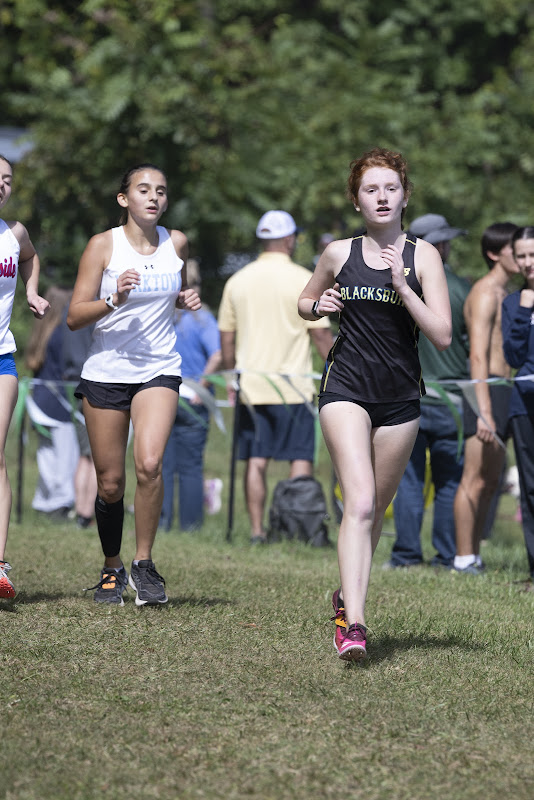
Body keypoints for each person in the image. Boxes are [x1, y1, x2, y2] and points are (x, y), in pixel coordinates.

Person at [298, 147, 452, 661]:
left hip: (401, 399)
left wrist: (404, 288)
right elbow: (304, 301)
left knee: (375, 510)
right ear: (357, 200)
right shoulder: (338, 254)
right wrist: (318, 306)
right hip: (346, 390)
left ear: (405, 196)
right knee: (358, 502)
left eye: (390, 188)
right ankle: (355, 625)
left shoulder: (423, 256)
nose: (382, 197)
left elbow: (443, 334)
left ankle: (347, 592)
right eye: (371, 189)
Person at [67, 163, 200, 606]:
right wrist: (112, 299)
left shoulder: (175, 242)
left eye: (161, 191)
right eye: (144, 190)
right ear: (124, 199)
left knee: (149, 464)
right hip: (105, 371)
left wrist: (184, 299)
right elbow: (73, 317)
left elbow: (174, 296)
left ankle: (144, 566)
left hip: (158, 368)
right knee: (110, 484)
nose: (154, 197)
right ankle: (112, 566)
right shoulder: (102, 245)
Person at [218, 209, 334, 544]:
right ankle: (301, 532)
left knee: (256, 460)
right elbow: (321, 336)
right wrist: (340, 371)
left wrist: (231, 378)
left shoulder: (237, 281)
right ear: (289, 239)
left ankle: (257, 532)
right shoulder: (304, 278)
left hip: (251, 388)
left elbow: (226, 336)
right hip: (293, 387)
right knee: (299, 458)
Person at [388, 214, 470, 569]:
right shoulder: (462, 289)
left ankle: (406, 555)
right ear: (441, 245)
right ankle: (446, 555)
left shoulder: (394, 284)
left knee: (408, 480)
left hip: (407, 396)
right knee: (450, 480)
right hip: (453, 401)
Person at [453, 222, 518, 574]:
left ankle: (474, 554)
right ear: (495, 253)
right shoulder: (483, 292)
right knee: (474, 478)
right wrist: (483, 410)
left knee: (491, 480)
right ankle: (462, 557)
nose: (522, 257)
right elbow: (477, 354)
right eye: (514, 250)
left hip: (503, 388)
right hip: (484, 388)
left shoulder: (508, 293)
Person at [0, 153, 49, 599]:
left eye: (8, 179)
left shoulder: (14, 235)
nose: (2, 185)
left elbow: (32, 258)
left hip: (2, 360)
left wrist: (31, 292)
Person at [160, 259, 221, 531]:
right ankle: (191, 525)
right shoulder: (204, 319)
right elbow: (217, 355)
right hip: (194, 397)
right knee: (191, 466)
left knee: (161, 465)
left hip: (162, 393)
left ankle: (161, 522)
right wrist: (204, 385)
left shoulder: (163, 316)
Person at [25, 287, 79, 520]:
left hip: (38, 402)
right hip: (59, 403)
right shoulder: (62, 333)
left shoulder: (41, 331)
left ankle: (43, 502)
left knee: (46, 455)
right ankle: (60, 504)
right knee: (66, 457)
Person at [501, 226, 534, 587]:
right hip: (524, 404)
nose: (528, 262)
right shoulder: (513, 303)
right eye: (522, 255)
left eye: (533, 254)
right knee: (530, 487)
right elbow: (512, 355)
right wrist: (525, 312)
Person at [61, 310, 98, 528]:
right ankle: (86, 512)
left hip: (71, 382)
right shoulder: (97, 309)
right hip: (91, 382)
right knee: (95, 456)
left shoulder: (70, 309)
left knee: (84, 456)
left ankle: (81, 509)